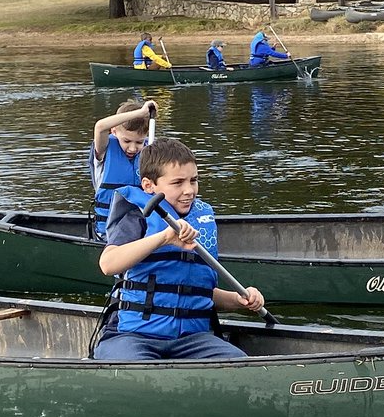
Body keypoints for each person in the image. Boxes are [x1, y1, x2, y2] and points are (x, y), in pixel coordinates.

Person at [93, 137, 266, 362]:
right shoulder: (137, 216)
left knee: (240, 364)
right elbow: (108, 264)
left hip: (193, 340)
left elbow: (195, 290)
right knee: (138, 368)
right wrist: (164, 238)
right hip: (133, 336)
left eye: (193, 180)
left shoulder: (201, 218)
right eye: (177, 183)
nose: (189, 190)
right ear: (148, 186)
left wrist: (239, 299)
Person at [91, 99, 157, 240]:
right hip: (108, 234)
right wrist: (141, 112)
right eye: (126, 141)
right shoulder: (104, 150)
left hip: (142, 231)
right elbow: (100, 126)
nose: (133, 148)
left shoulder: (150, 152)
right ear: (114, 131)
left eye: (139, 142)